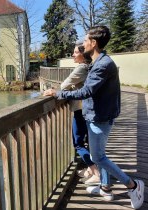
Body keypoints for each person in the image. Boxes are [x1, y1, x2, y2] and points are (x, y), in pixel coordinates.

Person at [43, 26, 144, 209]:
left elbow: (87, 91)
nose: (83, 43)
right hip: (96, 115)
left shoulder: (103, 65)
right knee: (100, 155)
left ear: (93, 43)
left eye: (85, 40)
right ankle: (105, 187)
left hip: (100, 118)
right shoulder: (99, 62)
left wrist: (58, 93)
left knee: (98, 158)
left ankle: (133, 185)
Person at [60, 43, 100, 184]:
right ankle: (91, 169)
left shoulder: (81, 68)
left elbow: (63, 85)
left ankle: (95, 172)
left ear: (83, 55)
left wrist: (69, 87)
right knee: (89, 141)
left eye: (75, 52)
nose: (73, 55)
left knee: (78, 143)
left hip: (81, 110)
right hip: (89, 109)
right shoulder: (89, 67)